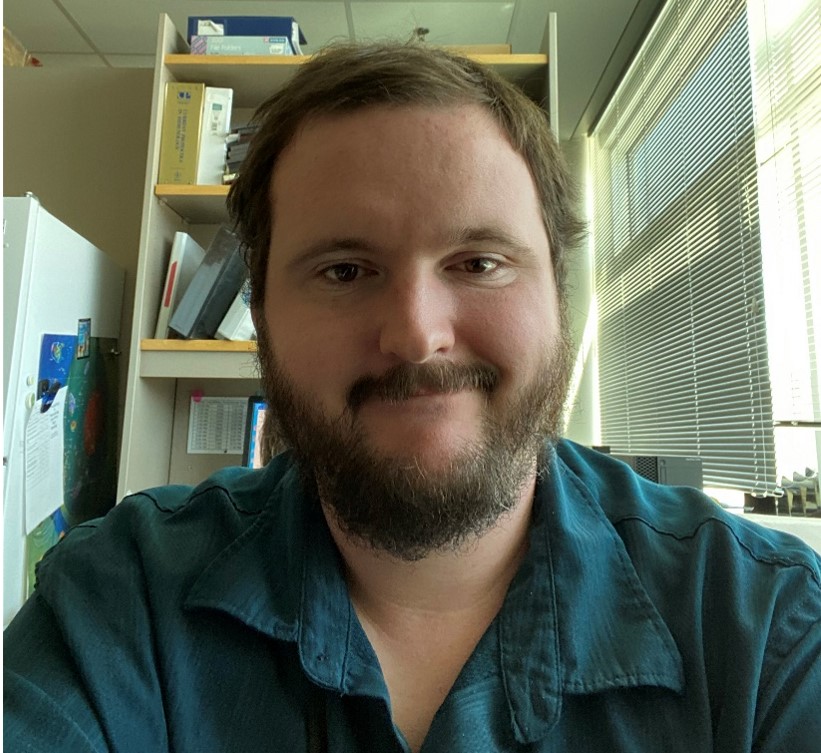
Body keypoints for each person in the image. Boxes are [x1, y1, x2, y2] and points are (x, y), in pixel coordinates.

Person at [4, 42, 820, 753]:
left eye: (477, 262)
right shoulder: (118, 600)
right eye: (344, 270)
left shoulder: (766, 628)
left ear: (559, 301)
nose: (416, 334)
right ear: (261, 318)